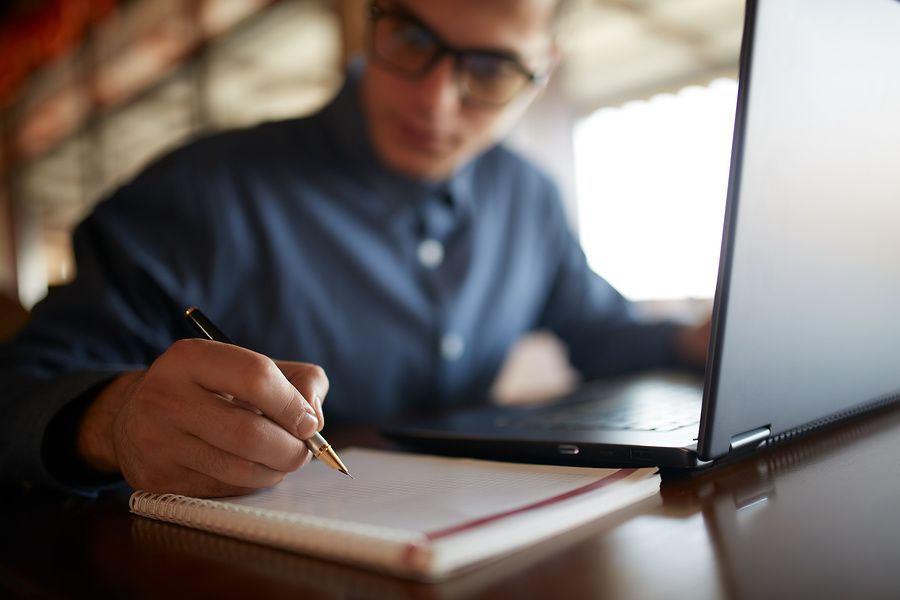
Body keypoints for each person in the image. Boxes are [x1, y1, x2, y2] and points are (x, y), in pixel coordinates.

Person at [0, 0, 709, 498]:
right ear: (373, 18)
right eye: (411, 40)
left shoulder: (528, 199)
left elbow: (601, 330)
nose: (435, 104)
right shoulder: (200, 192)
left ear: (541, 71)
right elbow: (19, 389)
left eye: (490, 72)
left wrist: (695, 341)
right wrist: (114, 421)